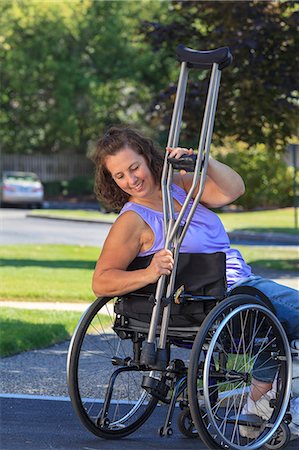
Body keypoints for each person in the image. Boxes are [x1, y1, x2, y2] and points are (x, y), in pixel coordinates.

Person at [92, 126, 299, 439]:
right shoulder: (132, 220)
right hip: (221, 297)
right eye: (120, 175)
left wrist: (205, 161)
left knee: (285, 329)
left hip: (241, 285)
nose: (131, 179)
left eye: (134, 167)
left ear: (148, 159)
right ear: (112, 180)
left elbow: (233, 190)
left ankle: (266, 393)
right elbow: (102, 281)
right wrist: (149, 272)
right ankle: (261, 397)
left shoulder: (179, 186)